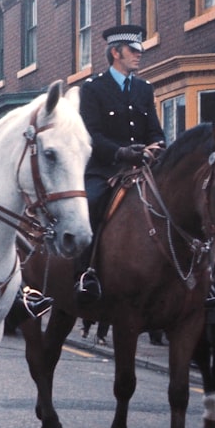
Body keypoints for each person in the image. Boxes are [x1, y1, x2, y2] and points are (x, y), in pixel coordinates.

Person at [74, 24, 165, 307]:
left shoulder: (143, 89)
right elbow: (91, 135)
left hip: (141, 170)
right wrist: (121, 152)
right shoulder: (93, 89)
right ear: (116, 52)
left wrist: (155, 147)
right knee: (91, 203)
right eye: (133, 51)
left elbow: (155, 131)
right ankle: (84, 274)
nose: (139, 55)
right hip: (105, 170)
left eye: (140, 50)